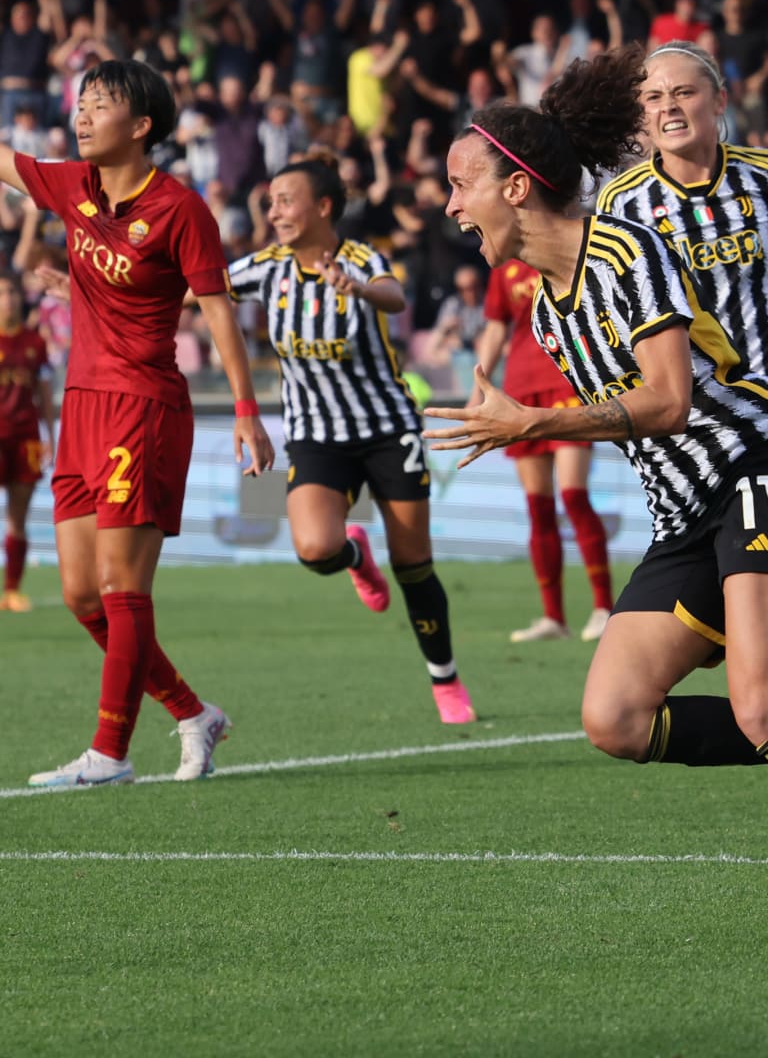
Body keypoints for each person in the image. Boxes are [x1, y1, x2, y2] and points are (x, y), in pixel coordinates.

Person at [423, 43, 768, 770]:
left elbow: (670, 403)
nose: (450, 204)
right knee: (615, 719)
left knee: (759, 706)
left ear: (516, 188)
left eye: (462, 184)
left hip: (751, 470)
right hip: (684, 518)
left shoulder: (624, 249)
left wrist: (537, 422)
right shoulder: (547, 312)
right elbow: (643, 428)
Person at [0, 58, 275, 787]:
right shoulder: (71, 186)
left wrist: (247, 414)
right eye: (80, 102)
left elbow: (220, 316)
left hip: (143, 407)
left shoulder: (183, 210)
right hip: (80, 406)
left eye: (101, 103)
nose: (82, 114)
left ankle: (110, 753)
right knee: (81, 597)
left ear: (143, 125)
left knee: (123, 586)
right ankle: (193, 713)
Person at [226, 155, 476, 725]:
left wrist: (357, 290)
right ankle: (357, 555)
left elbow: (393, 296)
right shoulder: (266, 268)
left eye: (285, 201)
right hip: (317, 436)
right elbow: (195, 292)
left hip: (388, 429)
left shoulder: (361, 259)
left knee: (415, 565)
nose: (275, 212)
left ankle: (446, 679)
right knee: (315, 549)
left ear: (323, 207)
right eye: (270, 203)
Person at [597, 41, 768, 380]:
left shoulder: (762, 175)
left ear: (720, 101)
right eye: (654, 98)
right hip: (702, 414)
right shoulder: (621, 203)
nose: (669, 107)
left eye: (684, 92)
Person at [472, 258, 613, 643]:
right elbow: (497, 327)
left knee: (574, 496)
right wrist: (477, 393)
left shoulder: (565, 248)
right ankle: (554, 617)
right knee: (539, 506)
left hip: (568, 382)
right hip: (521, 386)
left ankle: (604, 608)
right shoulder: (504, 265)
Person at [0, 271, 55, 611]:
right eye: (4, 293)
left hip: (25, 437)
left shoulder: (35, 343)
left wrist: (51, 433)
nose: (10, 299)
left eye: (13, 293)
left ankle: (12, 590)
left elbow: (45, 392)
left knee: (19, 516)